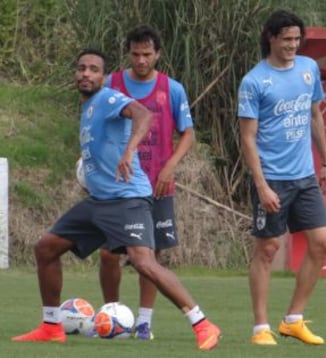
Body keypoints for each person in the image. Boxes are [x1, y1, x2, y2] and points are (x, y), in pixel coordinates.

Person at [12, 49, 220, 351]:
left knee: (143, 262)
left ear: (102, 76)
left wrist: (129, 151)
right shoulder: (88, 109)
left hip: (127, 199)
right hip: (99, 201)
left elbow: (144, 114)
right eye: (81, 68)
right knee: (46, 249)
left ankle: (203, 324)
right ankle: (51, 326)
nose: (86, 74)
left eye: (93, 69)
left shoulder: (107, 98)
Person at [237, 10, 326, 346]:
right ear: (271, 38)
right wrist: (261, 185)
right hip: (272, 178)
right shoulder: (254, 81)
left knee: (322, 244)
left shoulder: (309, 69)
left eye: (296, 39)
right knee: (267, 249)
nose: (292, 45)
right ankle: (260, 328)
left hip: (305, 175)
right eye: (286, 39)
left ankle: (293, 320)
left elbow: (315, 115)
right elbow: (248, 138)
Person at [99, 24, 195, 340]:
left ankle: (143, 323)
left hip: (157, 185)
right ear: (128, 53)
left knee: (150, 259)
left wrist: (169, 167)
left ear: (158, 55)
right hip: (116, 186)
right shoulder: (110, 84)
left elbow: (188, 133)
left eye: (147, 55)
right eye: (136, 54)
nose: (141, 61)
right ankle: (111, 315)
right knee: (108, 254)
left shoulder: (173, 89)